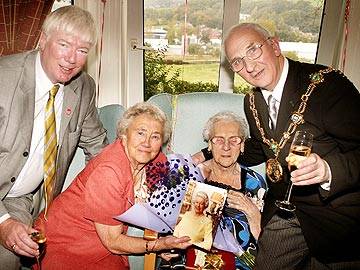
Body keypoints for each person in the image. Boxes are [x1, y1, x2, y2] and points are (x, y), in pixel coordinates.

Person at [195, 23, 360, 269]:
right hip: (286, 210)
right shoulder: (251, 102)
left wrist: (328, 170)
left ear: (274, 45)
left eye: (253, 50)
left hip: (335, 213)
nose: (249, 67)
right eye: (238, 62)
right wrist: (210, 151)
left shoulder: (326, 86)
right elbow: (262, 147)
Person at [0, 6, 108, 269]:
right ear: (43, 40)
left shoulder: (83, 87)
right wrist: (2, 222)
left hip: (22, 199)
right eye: (64, 44)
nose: (72, 58)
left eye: (82, 50)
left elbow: (98, 147)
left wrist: (135, 180)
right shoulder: (4, 79)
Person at [31, 102, 192, 269]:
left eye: (155, 136)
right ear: (124, 135)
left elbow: (176, 189)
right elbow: (112, 242)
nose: (147, 142)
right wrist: (159, 245)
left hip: (106, 243)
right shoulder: (109, 171)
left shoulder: (153, 158)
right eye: (140, 133)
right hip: (69, 245)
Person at [194, 111, 266, 270]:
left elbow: (267, 242)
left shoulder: (255, 183)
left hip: (242, 263)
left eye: (234, 140)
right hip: (195, 261)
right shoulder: (193, 176)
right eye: (219, 140)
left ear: (242, 146)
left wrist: (253, 212)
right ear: (209, 145)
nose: (226, 147)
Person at [173, 190, 213, 267]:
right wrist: (173, 242)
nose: (198, 205)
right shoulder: (187, 214)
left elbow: (208, 243)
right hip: (175, 249)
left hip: (190, 254)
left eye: (201, 204)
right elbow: (177, 229)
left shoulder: (207, 222)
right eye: (197, 202)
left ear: (205, 205)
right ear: (194, 203)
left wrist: (193, 245)